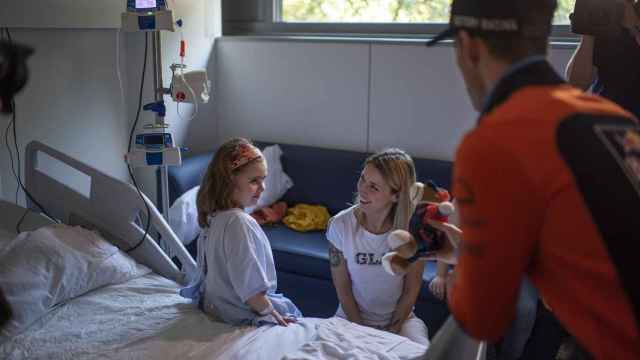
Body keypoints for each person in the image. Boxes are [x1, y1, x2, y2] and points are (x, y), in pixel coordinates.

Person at [423, 0, 640, 358]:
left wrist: (464, 268)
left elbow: (483, 319)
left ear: (470, 48)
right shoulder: (613, 119)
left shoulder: (495, 140)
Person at [180, 138, 301, 326]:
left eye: (263, 179)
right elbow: (250, 288)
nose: (263, 187)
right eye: (254, 181)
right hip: (241, 312)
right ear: (228, 182)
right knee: (292, 314)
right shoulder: (238, 223)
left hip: (218, 308)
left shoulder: (213, 218)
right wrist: (271, 314)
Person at [327, 149, 430, 345]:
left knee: (422, 353)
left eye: (373, 187)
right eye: (362, 179)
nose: (362, 190)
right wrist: (362, 333)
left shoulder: (416, 230)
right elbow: (343, 288)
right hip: (350, 318)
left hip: (401, 321)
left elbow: (411, 288)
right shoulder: (339, 225)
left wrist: (391, 331)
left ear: (396, 196)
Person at [566, 0, 640, 118]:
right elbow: (577, 85)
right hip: (608, 115)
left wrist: (634, 28)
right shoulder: (608, 16)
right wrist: (588, 31)